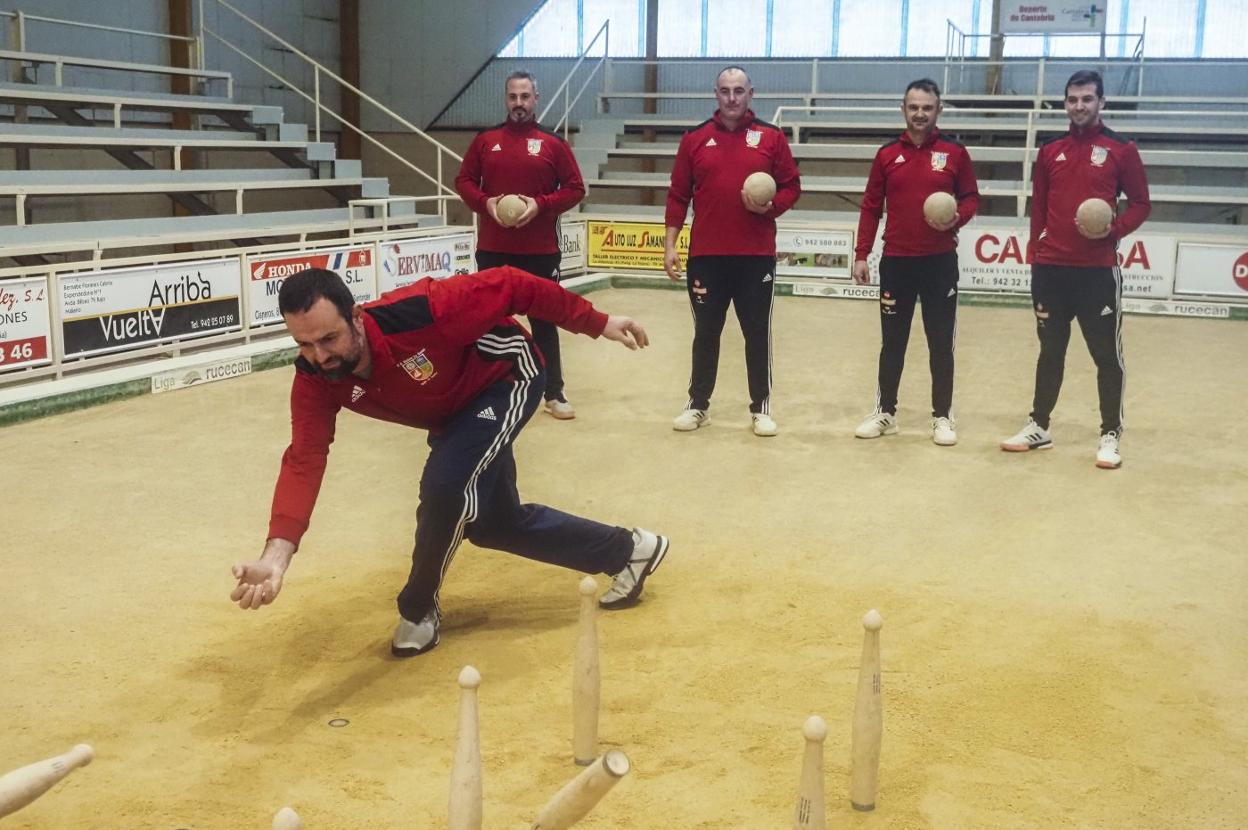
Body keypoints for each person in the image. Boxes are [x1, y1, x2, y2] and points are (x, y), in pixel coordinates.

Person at [229, 267, 671, 657]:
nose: (320, 356)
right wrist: (277, 556)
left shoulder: (424, 310)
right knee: (495, 524)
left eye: (329, 339)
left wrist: (598, 322)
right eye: (304, 344)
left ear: (357, 317)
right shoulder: (314, 377)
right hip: (454, 414)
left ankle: (418, 609)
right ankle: (631, 551)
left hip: (507, 377)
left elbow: (516, 285)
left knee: (445, 487)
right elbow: (305, 456)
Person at [1000, 69, 1150, 469]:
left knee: (1105, 355)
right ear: (1064, 104)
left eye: (1087, 99)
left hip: (1096, 271)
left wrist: (1113, 231)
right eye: (1072, 99)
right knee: (1051, 351)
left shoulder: (1122, 149)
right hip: (1050, 269)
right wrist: (1036, 253)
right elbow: (1040, 207)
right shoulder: (1050, 150)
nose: (1079, 105)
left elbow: (1140, 204)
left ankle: (1109, 434)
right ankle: (1039, 426)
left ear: (1102, 103)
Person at [663, 65, 801, 437]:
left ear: (751, 94)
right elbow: (678, 194)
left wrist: (769, 208)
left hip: (755, 258)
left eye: (739, 91)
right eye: (725, 91)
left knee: (756, 333)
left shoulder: (771, 138)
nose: (732, 98)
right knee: (706, 332)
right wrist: (670, 244)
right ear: (716, 94)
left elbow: (791, 186)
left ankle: (761, 408)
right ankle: (698, 405)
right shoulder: (694, 139)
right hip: (707, 257)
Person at [852, 78, 980, 446]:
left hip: (939, 263)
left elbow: (971, 198)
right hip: (897, 262)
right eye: (913, 107)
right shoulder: (887, 155)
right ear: (903, 109)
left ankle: (942, 416)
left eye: (927, 107)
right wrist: (862, 253)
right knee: (892, 342)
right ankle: (886, 413)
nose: (920, 113)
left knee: (940, 342)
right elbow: (871, 206)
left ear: (938, 110)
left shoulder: (955, 154)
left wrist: (956, 217)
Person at [455, 70, 585, 420]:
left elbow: (575, 188)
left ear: (536, 99)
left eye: (525, 97)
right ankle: (485, 388)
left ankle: (553, 392)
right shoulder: (486, 140)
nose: (519, 104)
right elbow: (464, 180)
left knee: (544, 321)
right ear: (506, 99)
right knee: (487, 320)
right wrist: (487, 203)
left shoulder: (553, 143)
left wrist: (540, 205)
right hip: (494, 248)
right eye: (513, 97)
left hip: (540, 251)